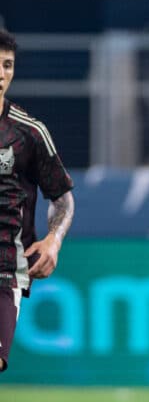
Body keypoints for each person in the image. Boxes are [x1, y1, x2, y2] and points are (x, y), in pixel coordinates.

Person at [0, 29, 75, 372]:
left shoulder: (29, 133)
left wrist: (54, 240)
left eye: (7, 65)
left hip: (4, 270)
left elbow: (62, 199)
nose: (1, 74)